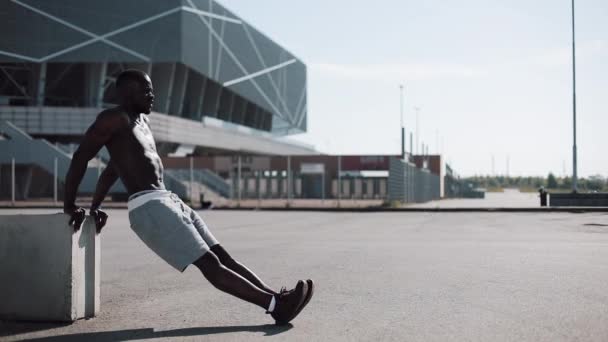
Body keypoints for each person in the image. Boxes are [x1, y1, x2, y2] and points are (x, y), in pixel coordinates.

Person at [63, 69, 313, 325]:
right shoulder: (113, 119)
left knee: (223, 256)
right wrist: (70, 204)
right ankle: (274, 307)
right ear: (127, 93)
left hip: (168, 200)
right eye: (146, 91)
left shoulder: (143, 123)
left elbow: (113, 169)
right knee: (209, 263)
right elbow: (81, 157)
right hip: (149, 206)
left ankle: (276, 298)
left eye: (152, 90)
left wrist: (96, 207)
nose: (152, 96)